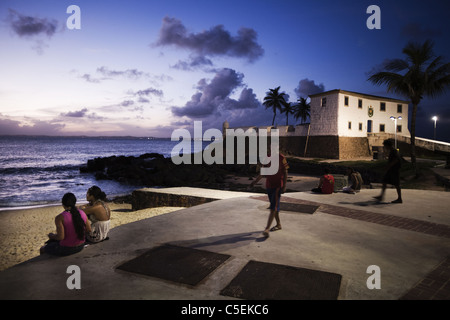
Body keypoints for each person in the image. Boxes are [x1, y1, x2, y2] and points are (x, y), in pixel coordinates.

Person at [249, 150, 289, 238]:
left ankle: (267, 228)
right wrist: (255, 182)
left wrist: (285, 185)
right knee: (274, 206)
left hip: (278, 186)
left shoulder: (282, 158)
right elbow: (263, 172)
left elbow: (285, 172)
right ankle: (278, 224)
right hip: (269, 186)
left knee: (273, 208)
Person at [374, 139, 402, 203]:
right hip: (391, 170)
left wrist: (388, 166)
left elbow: (396, 160)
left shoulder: (394, 151)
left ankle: (399, 198)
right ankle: (381, 196)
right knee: (385, 181)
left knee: (397, 184)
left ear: (387, 145)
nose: (384, 147)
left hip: (394, 170)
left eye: (385, 145)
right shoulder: (392, 151)